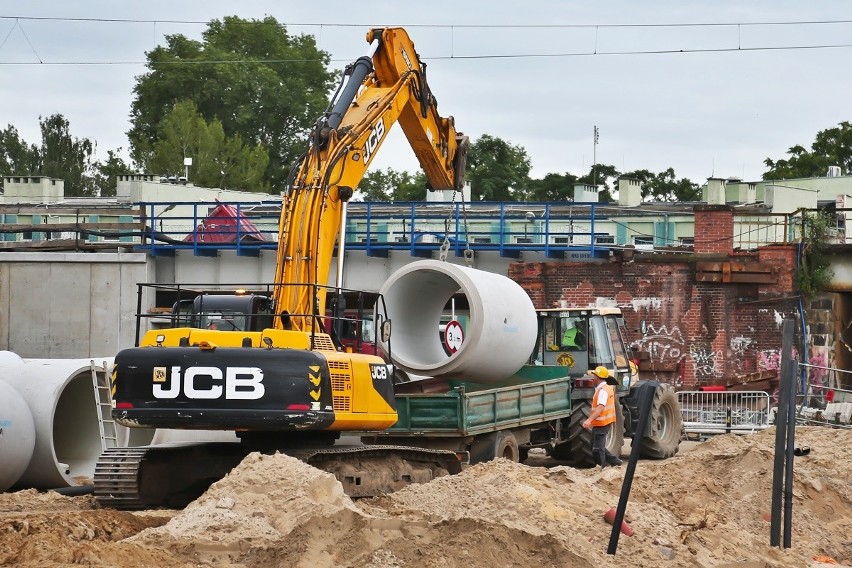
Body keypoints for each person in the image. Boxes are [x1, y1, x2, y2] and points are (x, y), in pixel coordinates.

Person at [581, 366, 623, 468]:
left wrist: (589, 420)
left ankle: (601, 467)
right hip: (602, 422)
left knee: (598, 448)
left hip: (603, 422)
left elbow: (600, 408)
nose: (593, 377)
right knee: (594, 445)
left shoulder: (603, 391)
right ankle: (616, 461)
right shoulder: (606, 388)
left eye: (594, 375)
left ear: (598, 377)